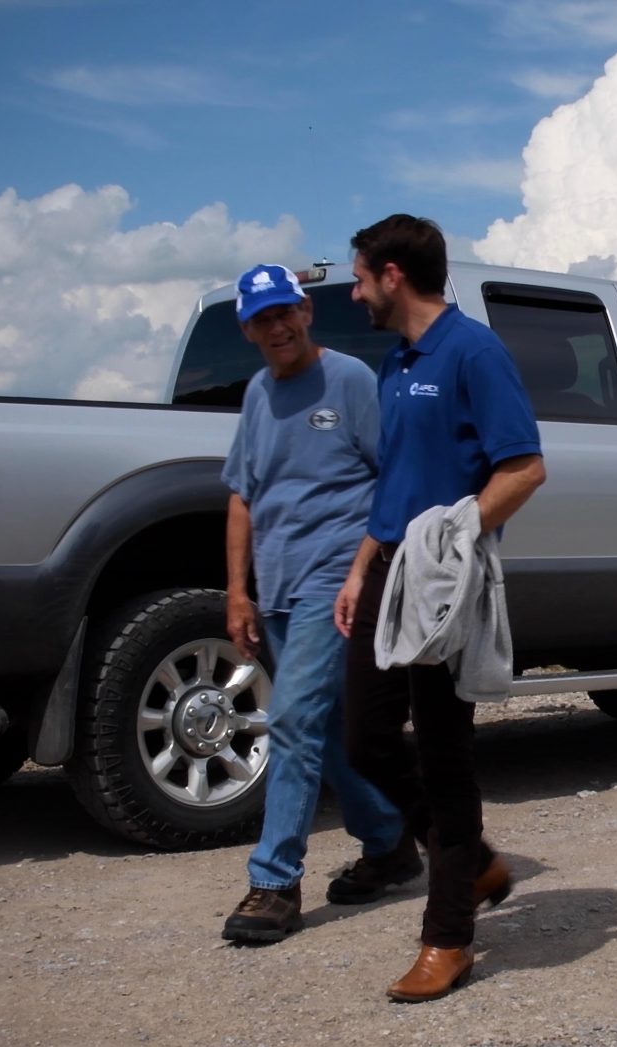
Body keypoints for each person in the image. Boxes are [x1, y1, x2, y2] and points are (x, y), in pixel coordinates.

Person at [333, 215, 547, 1002]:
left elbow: (524, 469)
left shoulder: (473, 352)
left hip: (443, 581)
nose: (354, 293)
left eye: (359, 278)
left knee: (445, 753)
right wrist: (362, 568)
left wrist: (455, 540)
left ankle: (448, 937)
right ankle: (476, 860)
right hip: (389, 572)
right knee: (363, 740)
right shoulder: (397, 363)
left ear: (393, 274)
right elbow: (393, 486)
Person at [219, 263, 420, 944]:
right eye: (261, 318)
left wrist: (363, 572)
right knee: (328, 730)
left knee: (294, 723)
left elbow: (392, 481)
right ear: (247, 329)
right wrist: (239, 592)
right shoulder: (255, 393)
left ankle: (274, 883)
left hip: (333, 582)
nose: (276, 327)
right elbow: (242, 496)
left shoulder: (350, 381)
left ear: (305, 311)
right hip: (275, 585)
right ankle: (391, 841)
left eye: (285, 312)